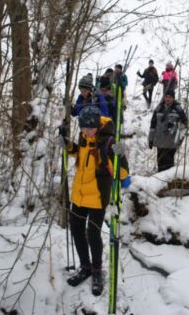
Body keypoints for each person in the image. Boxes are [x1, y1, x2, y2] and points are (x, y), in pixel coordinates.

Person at [60, 105, 129, 296]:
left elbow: (122, 172)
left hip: (98, 196)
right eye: (82, 127)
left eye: (89, 128)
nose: (85, 131)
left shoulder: (107, 141)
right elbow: (79, 154)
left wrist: (120, 155)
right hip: (79, 194)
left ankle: (97, 271)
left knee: (93, 234)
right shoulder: (85, 137)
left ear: (97, 125)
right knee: (76, 229)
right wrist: (68, 144)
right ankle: (85, 266)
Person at [148, 89, 188, 172]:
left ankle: (168, 183)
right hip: (159, 142)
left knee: (169, 166)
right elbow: (153, 126)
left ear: (173, 98)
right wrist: (150, 139)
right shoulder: (158, 108)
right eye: (166, 97)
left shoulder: (178, 109)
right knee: (160, 164)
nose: (168, 99)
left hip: (170, 143)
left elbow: (185, 124)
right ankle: (160, 183)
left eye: (170, 97)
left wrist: (174, 126)